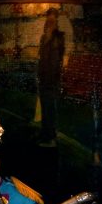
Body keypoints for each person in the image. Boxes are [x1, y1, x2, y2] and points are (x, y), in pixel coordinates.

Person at [36, 8, 65, 148]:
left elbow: (56, 61)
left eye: (52, 19)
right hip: (45, 80)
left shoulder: (57, 38)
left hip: (51, 81)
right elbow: (42, 58)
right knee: (46, 109)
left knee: (49, 110)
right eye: (48, 19)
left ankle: (50, 138)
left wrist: (53, 80)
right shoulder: (44, 38)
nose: (49, 22)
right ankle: (46, 134)